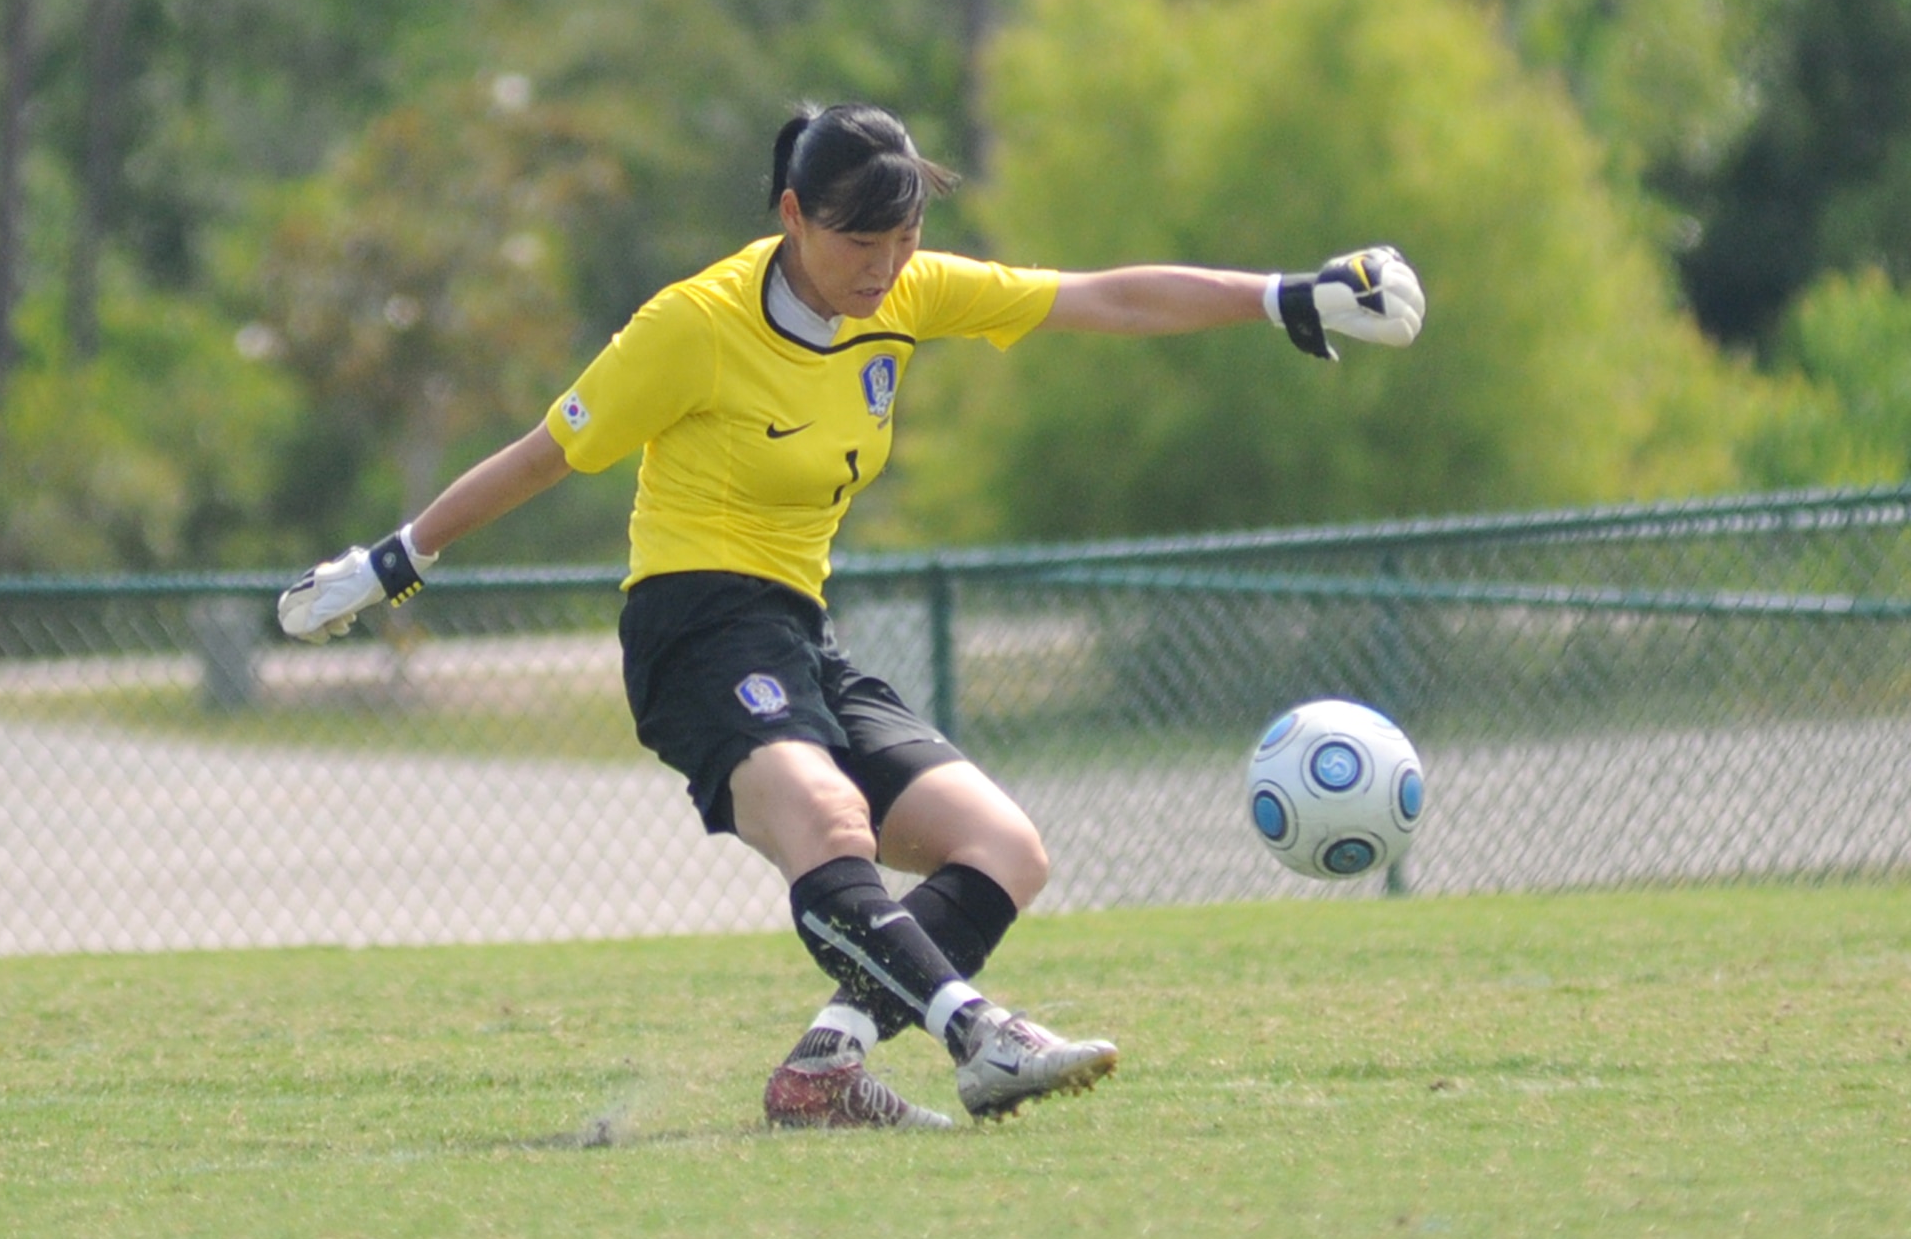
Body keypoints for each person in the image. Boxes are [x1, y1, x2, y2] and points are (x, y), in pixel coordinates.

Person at [277, 102, 1425, 1129]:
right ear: (790, 214)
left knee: (1005, 850)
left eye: (906, 237)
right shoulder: (694, 323)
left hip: (797, 633)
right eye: (858, 241)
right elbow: (546, 454)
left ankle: (826, 1067)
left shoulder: (908, 293)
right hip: (691, 628)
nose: (886, 266)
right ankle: (980, 1036)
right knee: (825, 819)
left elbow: (1097, 296)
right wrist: (395, 560)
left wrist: (1282, 297)